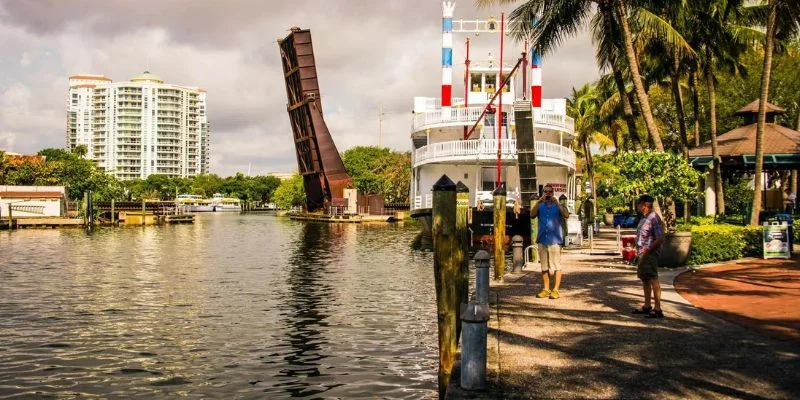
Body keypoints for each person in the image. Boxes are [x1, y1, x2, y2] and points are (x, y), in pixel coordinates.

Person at [531, 184, 570, 299]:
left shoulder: (558, 206)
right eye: (546, 191)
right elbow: (532, 215)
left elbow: (566, 215)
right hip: (542, 239)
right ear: (543, 193)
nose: (548, 193)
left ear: (553, 193)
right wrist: (538, 202)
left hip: (555, 239)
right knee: (544, 267)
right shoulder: (540, 206)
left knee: (556, 266)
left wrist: (557, 203)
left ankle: (556, 290)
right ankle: (546, 289)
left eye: (550, 192)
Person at [632, 194, 666, 318]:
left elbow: (660, 238)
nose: (637, 206)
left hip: (649, 254)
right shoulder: (644, 218)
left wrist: (648, 249)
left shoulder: (654, 218)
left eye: (639, 204)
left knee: (652, 278)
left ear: (645, 205)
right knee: (645, 278)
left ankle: (658, 308)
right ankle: (647, 305)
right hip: (642, 253)